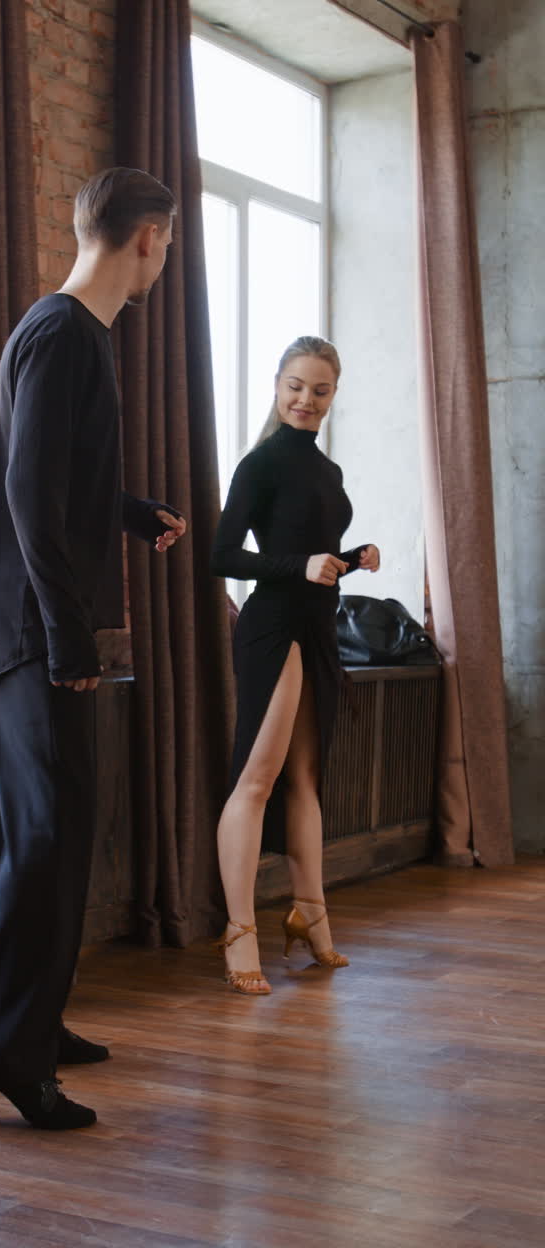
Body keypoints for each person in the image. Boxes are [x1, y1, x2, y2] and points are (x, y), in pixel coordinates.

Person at [0, 167, 187, 1127]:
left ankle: (32, 1024)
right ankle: (10, 1052)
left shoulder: (70, 335)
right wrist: (67, 637)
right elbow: (24, 496)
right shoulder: (62, 334)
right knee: (45, 838)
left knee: (37, 836)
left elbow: (51, 478)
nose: (164, 262)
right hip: (27, 627)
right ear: (145, 238)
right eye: (167, 245)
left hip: (18, 618)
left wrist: (131, 513)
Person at [211, 336, 380, 995]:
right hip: (273, 628)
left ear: (333, 396)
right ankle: (238, 930)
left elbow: (316, 554)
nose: (306, 399)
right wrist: (300, 567)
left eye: (320, 390)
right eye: (296, 386)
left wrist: (351, 554)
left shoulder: (328, 473)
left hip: (317, 627)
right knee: (257, 781)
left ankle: (310, 915)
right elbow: (224, 556)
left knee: (308, 780)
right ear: (277, 386)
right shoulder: (260, 465)